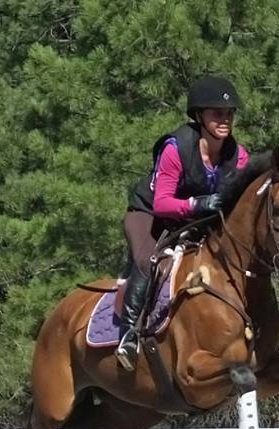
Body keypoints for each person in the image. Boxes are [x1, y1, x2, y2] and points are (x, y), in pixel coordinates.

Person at [116, 75, 250, 370]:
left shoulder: (238, 156)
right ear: (199, 116)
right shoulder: (176, 148)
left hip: (196, 221)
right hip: (150, 215)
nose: (225, 120)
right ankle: (129, 333)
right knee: (150, 259)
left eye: (229, 113)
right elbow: (163, 203)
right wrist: (198, 204)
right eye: (217, 114)